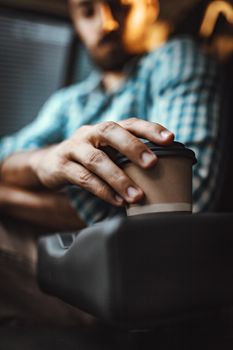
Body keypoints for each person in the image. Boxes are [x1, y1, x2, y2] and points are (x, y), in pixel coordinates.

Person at [0, 0, 222, 325]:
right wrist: (42, 162)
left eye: (121, 5)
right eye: (87, 10)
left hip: (124, 277)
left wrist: (6, 195)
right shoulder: (68, 102)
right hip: (61, 248)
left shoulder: (174, 60)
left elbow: (180, 210)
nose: (105, 23)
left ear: (150, 7)